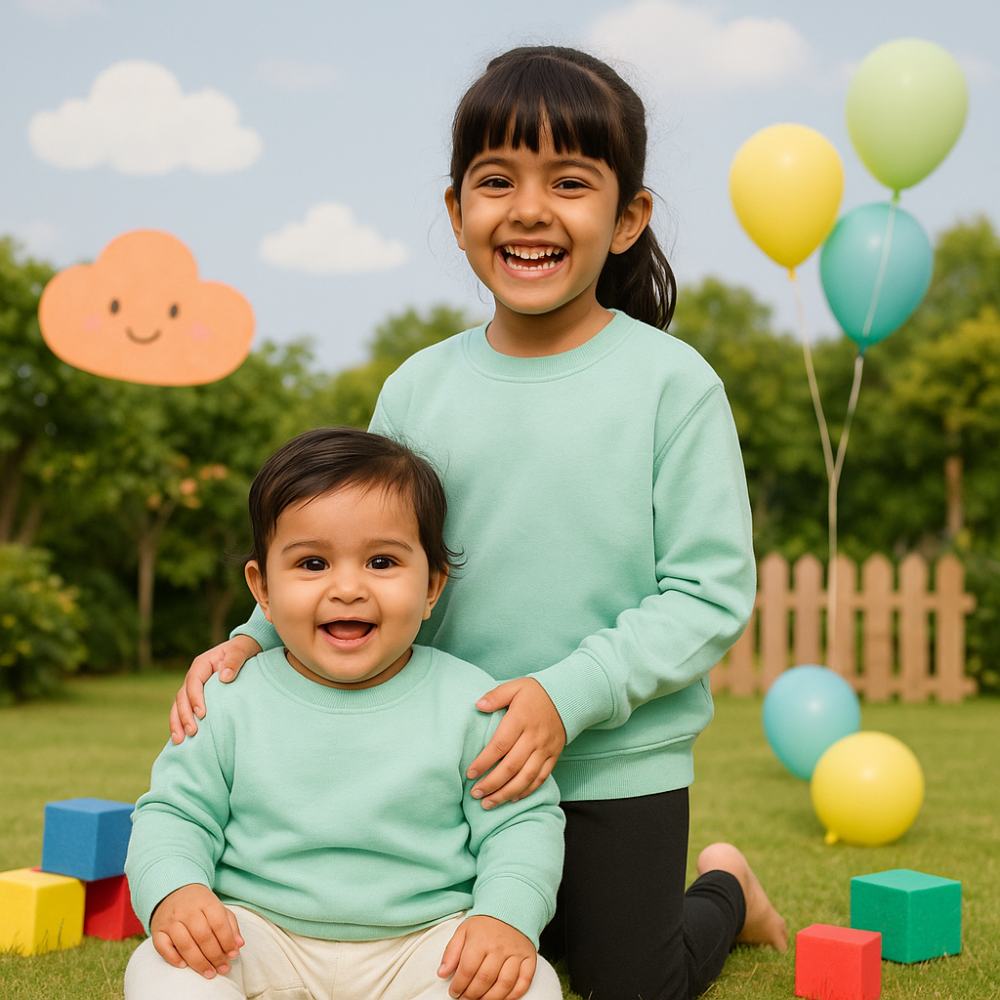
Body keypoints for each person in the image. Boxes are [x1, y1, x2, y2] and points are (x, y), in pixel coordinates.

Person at [171, 46, 788, 1000]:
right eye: (496, 181)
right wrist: (248, 641)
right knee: (482, 962)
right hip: (449, 758)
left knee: (627, 980)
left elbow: (708, 593)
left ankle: (727, 887)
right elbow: (348, 540)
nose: (530, 209)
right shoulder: (420, 385)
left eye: (570, 183)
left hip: (612, 759)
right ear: (457, 212)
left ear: (628, 218)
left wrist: (563, 694)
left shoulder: (673, 386)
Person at [125, 427, 565, 1000]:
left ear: (432, 586)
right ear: (262, 587)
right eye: (312, 563)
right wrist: (177, 891)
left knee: (530, 986)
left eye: (382, 561)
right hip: (256, 932)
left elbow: (521, 826)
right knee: (162, 971)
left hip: (425, 943)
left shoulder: (471, 701)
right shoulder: (229, 697)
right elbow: (174, 815)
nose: (348, 588)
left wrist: (504, 918)